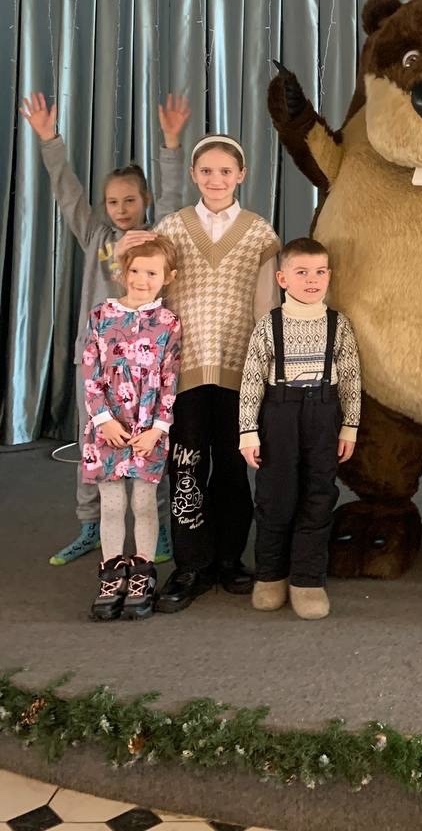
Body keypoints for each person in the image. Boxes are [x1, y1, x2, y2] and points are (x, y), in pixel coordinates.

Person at [19, 90, 190, 567]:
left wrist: (171, 143)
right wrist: (49, 139)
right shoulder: (97, 235)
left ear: (144, 201)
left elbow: (174, 196)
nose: (120, 208)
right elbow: (67, 192)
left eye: (130, 200)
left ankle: (157, 529)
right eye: (113, 201)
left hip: (146, 371)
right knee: (94, 442)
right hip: (97, 369)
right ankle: (90, 526)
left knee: (151, 444)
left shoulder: (159, 235)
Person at [152, 134, 281, 613]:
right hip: (183, 370)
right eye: (206, 170)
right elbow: (153, 289)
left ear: (241, 175)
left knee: (231, 467)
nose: (216, 179)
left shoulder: (259, 233)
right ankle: (191, 564)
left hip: (238, 370)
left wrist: (267, 368)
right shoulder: (172, 228)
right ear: (193, 175)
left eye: (226, 171)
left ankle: (229, 558)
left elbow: (267, 306)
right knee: (186, 467)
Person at [238, 237, 361, 620]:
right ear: (283, 279)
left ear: (329, 276)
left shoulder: (338, 325)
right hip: (279, 414)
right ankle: (271, 575)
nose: (312, 280)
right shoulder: (268, 325)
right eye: (302, 272)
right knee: (276, 495)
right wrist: (248, 431)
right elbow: (251, 380)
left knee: (318, 494)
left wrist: (350, 427)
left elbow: (351, 379)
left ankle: (307, 580)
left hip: (323, 414)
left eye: (320, 272)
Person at [81, 237, 181, 621]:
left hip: (148, 430)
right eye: (135, 270)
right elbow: (90, 371)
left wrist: (158, 428)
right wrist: (103, 420)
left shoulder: (169, 323)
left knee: (143, 502)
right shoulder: (101, 316)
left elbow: (170, 378)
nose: (141, 279)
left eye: (151, 273)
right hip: (106, 429)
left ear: (167, 277)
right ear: (123, 272)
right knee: (112, 504)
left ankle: (141, 575)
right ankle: (111, 576)